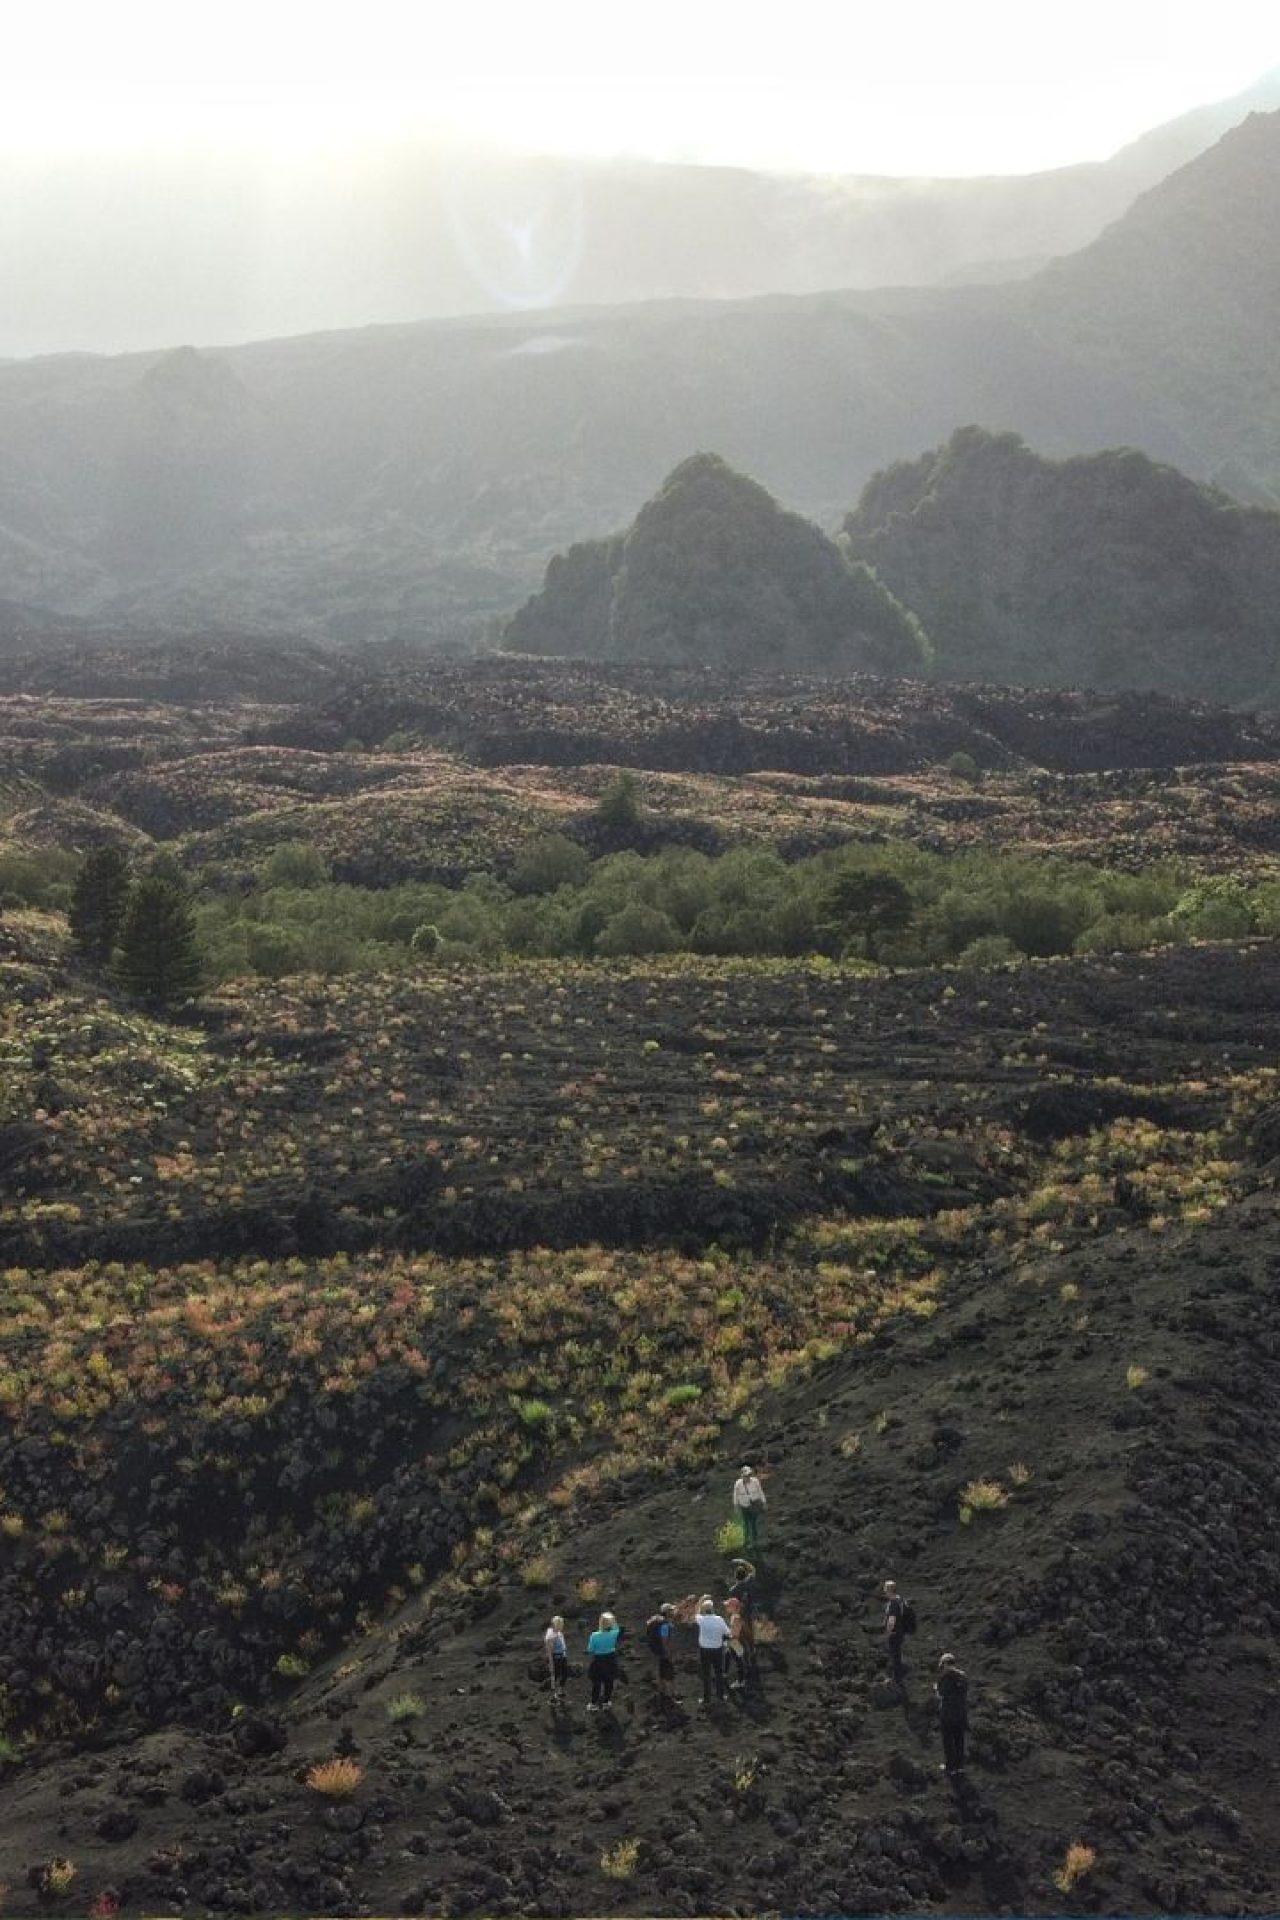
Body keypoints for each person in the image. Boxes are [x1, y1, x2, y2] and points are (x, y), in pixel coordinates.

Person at [936, 1653, 969, 1774]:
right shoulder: (963, 1676)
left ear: (944, 1664)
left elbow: (941, 1694)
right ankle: (960, 1766)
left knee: (948, 1741)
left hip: (948, 1713)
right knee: (959, 1740)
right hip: (960, 1713)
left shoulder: (945, 1677)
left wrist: (936, 1689)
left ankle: (950, 1767)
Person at [695, 1596, 731, 1706]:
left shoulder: (701, 1619)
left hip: (704, 1650)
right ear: (713, 1609)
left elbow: (695, 1611)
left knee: (706, 1674)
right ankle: (720, 1696)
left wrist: (701, 1599)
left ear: (703, 1610)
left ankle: (706, 1699)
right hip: (717, 1650)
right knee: (718, 1673)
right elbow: (728, 1633)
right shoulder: (719, 1619)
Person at [727, 1558, 758, 1677]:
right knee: (750, 1636)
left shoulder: (733, 1590)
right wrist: (743, 1561)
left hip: (739, 1616)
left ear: (735, 1576)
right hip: (750, 1613)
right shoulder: (749, 1582)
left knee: (740, 1639)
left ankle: (745, 1661)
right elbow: (753, 1569)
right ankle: (752, 1653)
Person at [645, 1602, 681, 1704]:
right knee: (670, 1674)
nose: (673, 1612)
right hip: (663, 1652)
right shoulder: (664, 1625)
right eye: (671, 1610)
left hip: (656, 1651)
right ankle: (673, 1696)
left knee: (661, 1673)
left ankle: (663, 1694)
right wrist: (668, 1653)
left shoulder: (656, 1621)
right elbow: (664, 1640)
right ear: (667, 1612)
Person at [586, 1611, 622, 1711]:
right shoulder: (614, 1633)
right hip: (610, 1659)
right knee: (609, 1682)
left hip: (598, 1660)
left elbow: (590, 1650)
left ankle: (593, 1704)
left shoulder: (594, 1635)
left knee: (596, 1683)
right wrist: (613, 1620)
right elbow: (617, 1627)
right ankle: (606, 1702)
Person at [733, 1466, 767, 1548]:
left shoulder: (755, 1481)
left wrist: (764, 1502)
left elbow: (760, 1492)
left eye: (748, 1475)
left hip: (754, 1505)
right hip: (744, 1506)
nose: (747, 1477)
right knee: (745, 1524)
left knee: (753, 1523)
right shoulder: (738, 1484)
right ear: (742, 1476)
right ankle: (746, 1540)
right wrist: (736, 1506)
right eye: (745, 1475)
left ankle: (754, 1541)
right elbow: (735, 1495)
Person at [882, 1579, 907, 1684]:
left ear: (889, 1590)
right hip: (900, 1632)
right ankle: (898, 1677)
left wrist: (888, 1631)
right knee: (897, 1655)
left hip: (894, 1633)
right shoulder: (900, 1600)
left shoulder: (893, 1603)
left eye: (885, 1589)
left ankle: (896, 1679)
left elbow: (892, 1619)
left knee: (894, 1655)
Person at [723, 1596, 748, 1692]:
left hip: (736, 1643)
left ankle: (741, 1681)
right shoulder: (734, 1616)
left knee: (738, 1662)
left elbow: (736, 1635)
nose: (726, 1608)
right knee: (727, 1655)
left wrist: (726, 1637)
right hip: (734, 1642)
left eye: (728, 1606)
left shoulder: (736, 1618)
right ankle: (724, 1673)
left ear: (733, 1607)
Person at [544, 1614, 568, 1704]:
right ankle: (552, 1697)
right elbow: (549, 1652)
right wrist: (551, 1664)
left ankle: (560, 1691)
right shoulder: (551, 1636)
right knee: (555, 1677)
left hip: (562, 1656)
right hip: (556, 1658)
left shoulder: (559, 1633)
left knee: (565, 1674)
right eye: (561, 1624)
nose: (562, 1626)